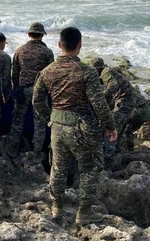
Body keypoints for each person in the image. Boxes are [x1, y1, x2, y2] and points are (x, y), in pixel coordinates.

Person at [33, 27, 117, 226]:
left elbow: (37, 101)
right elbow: (99, 103)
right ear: (79, 46)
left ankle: (57, 208)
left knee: (59, 167)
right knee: (90, 167)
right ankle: (84, 211)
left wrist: (50, 118)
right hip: (81, 128)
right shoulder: (86, 72)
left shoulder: (47, 71)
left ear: (59, 45)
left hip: (57, 127)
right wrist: (110, 126)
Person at [7, 22, 54, 158]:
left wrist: (16, 89)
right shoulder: (47, 52)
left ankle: (13, 148)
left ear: (29, 34)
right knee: (39, 122)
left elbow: (14, 73)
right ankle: (37, 152)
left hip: (23, 90)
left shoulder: (20, 50)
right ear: (42, 36)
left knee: (18, 119)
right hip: (40, 92)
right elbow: (51, 74)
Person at [89, 58, 137, 166]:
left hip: (124, 101)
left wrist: (102, 96)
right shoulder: (109, 71)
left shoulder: (105, 72)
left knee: (112, 129)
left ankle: (108, 160)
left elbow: (113, 85)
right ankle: (116, 151)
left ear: (97, 69)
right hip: (128, 101)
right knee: (120, 127)